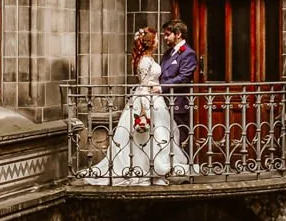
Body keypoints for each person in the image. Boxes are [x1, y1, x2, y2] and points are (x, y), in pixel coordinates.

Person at [81, 28, 191, 184]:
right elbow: (145, 83)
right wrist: (146, 105)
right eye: (157, 39)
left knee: (160, 133)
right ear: (151, 42)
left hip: (154, 97)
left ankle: (158, 167)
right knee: (148, 134)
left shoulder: (150, 58)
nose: (159, 41)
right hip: (147, 97)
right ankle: (149, 168)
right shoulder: (145, 61)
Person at [157, 18, 199, 165]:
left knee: (181, 137)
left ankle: (183, 167)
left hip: (179, 104)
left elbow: (183, 78)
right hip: (163, 102)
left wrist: (161, 87)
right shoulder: (168, 53)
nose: (165, 37)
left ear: (178, 34)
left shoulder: (188, 53)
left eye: (168, 34)